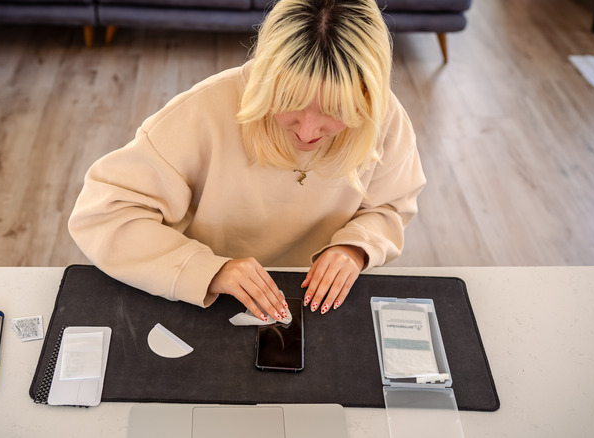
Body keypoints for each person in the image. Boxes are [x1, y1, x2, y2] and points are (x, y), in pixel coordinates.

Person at [68, 0, 426, 323]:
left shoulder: (386, 117)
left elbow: (391, 205)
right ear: (268, 78)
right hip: (203, 298)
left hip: (317, 302)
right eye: (291, 102)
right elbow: (104, 216)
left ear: (368, 95)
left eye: (335, 112)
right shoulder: (203, 111)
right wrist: (210, 270)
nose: (308, 132)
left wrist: (355, 248)